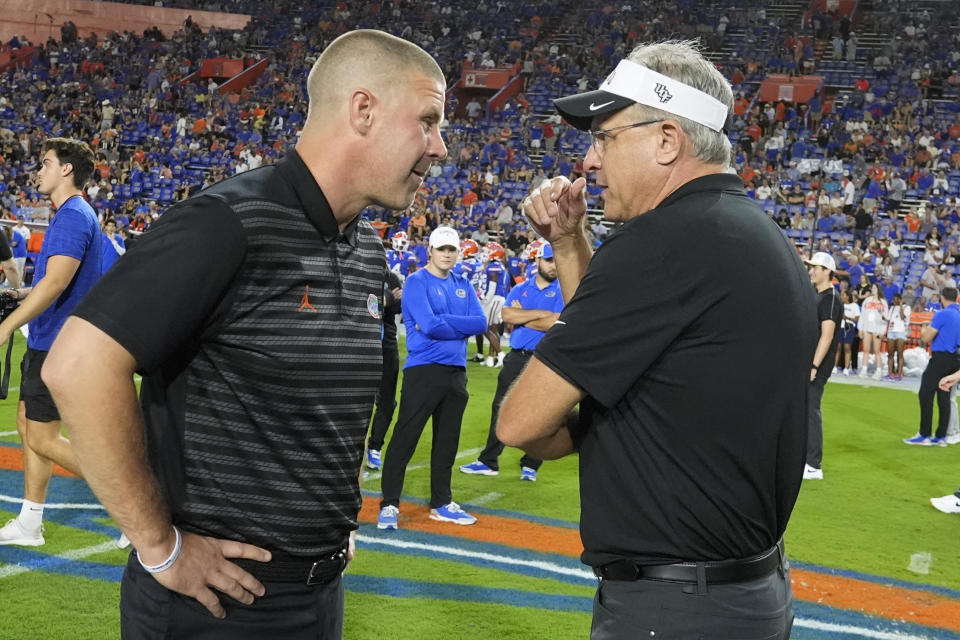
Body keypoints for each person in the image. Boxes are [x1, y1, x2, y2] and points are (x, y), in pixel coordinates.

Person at [41, 30, 447, 638]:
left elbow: (315, 408)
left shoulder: (363, 246)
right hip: (215, 608)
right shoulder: (227, 221)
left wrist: (331, 521)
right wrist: (160, 544)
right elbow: (76, 364)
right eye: (429, 120)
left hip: (319, 593)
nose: (440, 147)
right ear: (364, 110)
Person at [497, 41, 812, 640]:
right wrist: (569, 246)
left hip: (675, 606)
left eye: (605, 137)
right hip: (745, 591)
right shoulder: (748, 231)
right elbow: (621, 343)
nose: (590, 160)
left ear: (667, 139)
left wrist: (576, 425)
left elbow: (520, 424)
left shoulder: (660, 243)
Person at [0, 137, 101, 547]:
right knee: (28, 426)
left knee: (42, 436)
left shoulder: (74, 215)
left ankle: (139, 494)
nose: (37, 170)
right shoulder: (68, 215)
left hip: (62, 343)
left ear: (66, 170)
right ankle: (30, 522)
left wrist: (5, 328)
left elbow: (57, 283)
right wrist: (20, 297)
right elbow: (52, 283)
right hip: (50, 339)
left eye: (45, 163)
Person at [377, 226, 486, 531]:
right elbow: (428, 325)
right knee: (405, 438)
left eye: (452, 249)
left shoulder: (462, 282)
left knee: (447, 443)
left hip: (456, 373)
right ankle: (389, 503)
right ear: (430, 250)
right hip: (423, 371)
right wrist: (453, 325)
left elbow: (480, 322)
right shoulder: (415, 282)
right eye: (442, 249)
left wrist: (445, 322)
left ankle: (441, 503)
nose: (447, 254)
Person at [460, 242, 564, 482]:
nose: (553, 265)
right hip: (517, 356)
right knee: (500, 407)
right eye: (549, 260)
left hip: (545, 359)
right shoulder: (520, 289)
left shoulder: (562, 290)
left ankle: (531, 463)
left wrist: (524, 317)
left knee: (540, 413)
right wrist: (540, 316)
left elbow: (556, 323)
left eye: (556, 260)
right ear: (537, 261)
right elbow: (507, 315)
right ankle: (489, 461)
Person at [904, 286, 960, 446]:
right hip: (954, 358)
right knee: (944, 396)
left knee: (925, 394)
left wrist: (923, 327)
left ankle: (924, 434)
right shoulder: (958, 315)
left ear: (942, 298)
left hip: (940, 358)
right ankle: (941, 436)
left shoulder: (942, 314)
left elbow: (927, 337)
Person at [805, 252, 842, 481]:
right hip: (809, 362)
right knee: (804, 410)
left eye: (816, 268)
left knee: (811, 410)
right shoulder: (817, 295)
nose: (811, 271)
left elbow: (826, 336)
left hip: (817, 365)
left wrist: (814, 365)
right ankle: (806, 458)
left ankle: (813, 464)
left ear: (827, 271)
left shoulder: (830, 299)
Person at [365, 259, 404, 471]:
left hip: (387, 344)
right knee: (355, 398)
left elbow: (398, 305)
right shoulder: (361, 273)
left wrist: (382, 301)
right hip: (361, 343)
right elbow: (363, 306)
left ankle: (375, 446)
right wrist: (387, 298)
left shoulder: (392, 277)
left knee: (387, 400)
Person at [858, 282, 888, 380]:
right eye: (873, 288)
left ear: (879, 289)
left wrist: (883, 331)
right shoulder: (867, 300)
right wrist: (860, 328)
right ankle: (864, 369)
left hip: (877, 328)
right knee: (866, 350)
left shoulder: (883, 302)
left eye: (875, 288)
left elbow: (886, 318)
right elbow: (862, 315)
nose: (873, 289)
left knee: (877, 351)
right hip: (867, 327)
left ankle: (878, 371)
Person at [884, 293, 910, 381]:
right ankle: (890, 373)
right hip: (891, 331)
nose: (894, 300)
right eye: (893, 299)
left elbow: (903, 317)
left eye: (896, 299)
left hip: (901, 332)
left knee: (900, 353)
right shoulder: (892, 307)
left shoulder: (907, 307)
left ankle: (899, 374)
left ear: (900, 299)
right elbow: (889, 319)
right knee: (890, 354)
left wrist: (901, 306)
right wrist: (883, 318)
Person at [836, 290, 859, 375]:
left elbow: (857, 319)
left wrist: (847, 318)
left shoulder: (854, 306)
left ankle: (846, 368)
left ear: (847, 297)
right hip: (839, 327)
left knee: (847, 348)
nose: (841, 296)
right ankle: (835, 366)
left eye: (843, 295)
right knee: (837, 348)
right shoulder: (840, 305)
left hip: (849, 327)